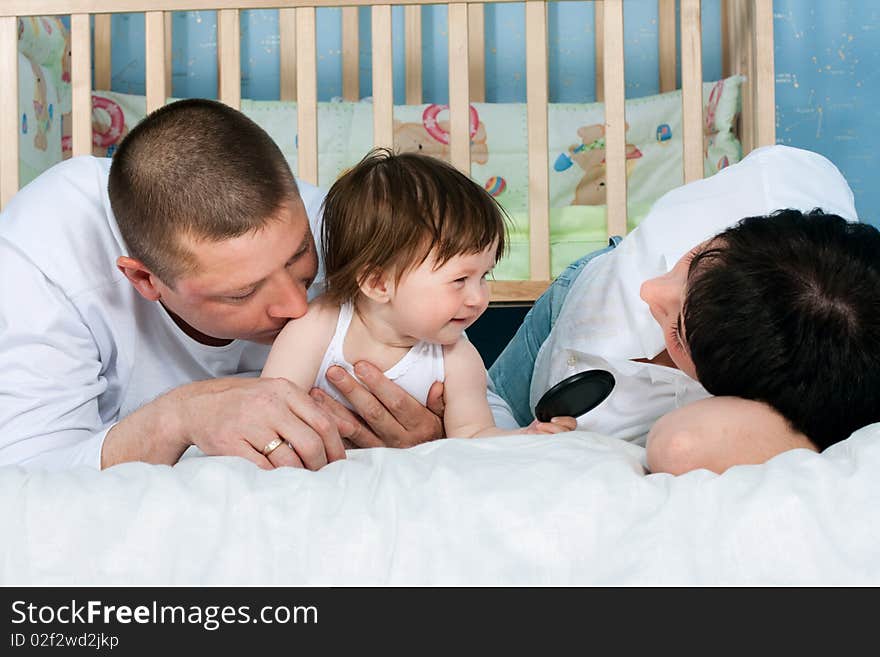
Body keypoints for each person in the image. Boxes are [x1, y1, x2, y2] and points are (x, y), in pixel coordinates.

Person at [0, 98, 517, 472]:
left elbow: (474, 391)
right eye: (242, 293)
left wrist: (436, 434)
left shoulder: (341, 225)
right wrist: (178, 416)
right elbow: (27, 474)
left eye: (300, 260)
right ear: (145, 279)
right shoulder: (43, 261)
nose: (297, 305)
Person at [488, 144, 880, 474]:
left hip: (584, 386)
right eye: (695, 256)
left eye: (677, 330)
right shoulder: (784, 179)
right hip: (579, 292)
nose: (651, 290)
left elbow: (681, 446)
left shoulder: (778, 385)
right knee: (476, 408)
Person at [261, 149, 575, 444]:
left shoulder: (456, 358)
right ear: (377, 282)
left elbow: (474, 435)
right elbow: (272, 405)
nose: (478, 298)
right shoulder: (319, 326)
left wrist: (526, 438)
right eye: (460, 279)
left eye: (484, 276)